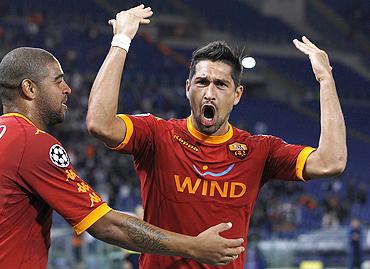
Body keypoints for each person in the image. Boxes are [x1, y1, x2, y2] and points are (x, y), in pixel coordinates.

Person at [86, 4, 347, 269]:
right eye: (202, 82)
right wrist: (121, 41)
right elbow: (100, 124)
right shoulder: (157, 135)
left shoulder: (258, 151)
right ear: (188, 89)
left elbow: (331, 162)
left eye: (221, 84)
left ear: (237, 95)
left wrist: (326, 80)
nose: (210, 93)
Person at [0, 46, 246, 269]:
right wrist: (194, 247)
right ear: (29, 88)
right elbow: (105, 224)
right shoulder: (31, 143)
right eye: (58, 81)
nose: (68, 89)